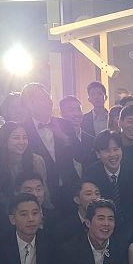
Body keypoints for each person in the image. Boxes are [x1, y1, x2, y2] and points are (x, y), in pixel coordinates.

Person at [21, 82, 82, 210]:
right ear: (29, 104)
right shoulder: (22, 129)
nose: (49, 102)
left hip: (70, 190)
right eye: (43, 98)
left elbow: (80, 154)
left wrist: (63, 137)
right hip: (40, 194)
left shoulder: (65, 124)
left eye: (49, 97)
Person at [84, 129, 133, 221]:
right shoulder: (91, 173)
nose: (112, 154)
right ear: (98, 154)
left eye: (116, 149)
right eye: (107, 151)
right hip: (104, 221)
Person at [0, 120, 48, 201]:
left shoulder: (36, 160)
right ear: (5, 140)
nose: (22, 142)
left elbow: (43, 190)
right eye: (16, 138)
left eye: (25, 138)